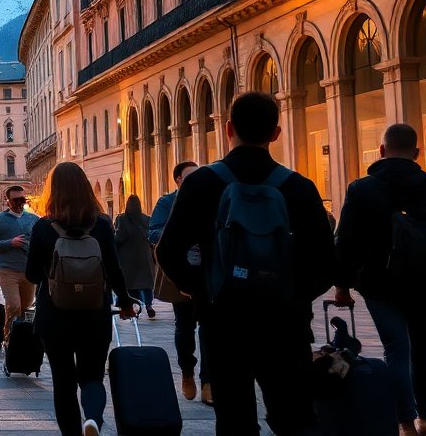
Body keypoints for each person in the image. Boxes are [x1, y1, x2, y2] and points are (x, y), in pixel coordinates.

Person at [158, 91, 334, 436]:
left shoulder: (202, 183)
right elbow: (326, 261)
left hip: (224, 320)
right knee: (294, 416)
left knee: (235, 419)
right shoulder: (298, 187)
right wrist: (294, 295)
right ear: (276, 133)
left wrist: (200, 287)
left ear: (228, 129)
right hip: (286, 323)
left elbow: (167, 251)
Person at [25, 162, 135, 436]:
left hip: (54, 317)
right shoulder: (101, 225)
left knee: (63, 383)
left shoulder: (42, 227)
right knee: (92, 375)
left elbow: (31, 274)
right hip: (94, 314)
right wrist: (124, 301)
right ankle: (93, 420)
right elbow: (113, 268)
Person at [333, 124, 426, 436]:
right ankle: (425, 417)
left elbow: (344, 241)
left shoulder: (362, 188)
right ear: (417, 153)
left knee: (396, 350)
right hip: (423, 282)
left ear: (382, 151)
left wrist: (342, 286)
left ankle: (405, 423)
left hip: (379, 284)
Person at [149, 160, 208, 403]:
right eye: (190, 177)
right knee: (185, 326)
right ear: (178, 180)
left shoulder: (209, 200)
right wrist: (180, 234)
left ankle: (208, 381)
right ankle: (187, 371)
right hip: (181, 272)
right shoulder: (167, 202)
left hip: (207, 272)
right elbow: (153, 232)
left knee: (209, 328)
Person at [0, 185, 40, 342]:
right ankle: (8, 339)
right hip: (7, 271)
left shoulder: (34, 219)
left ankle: (21, 340)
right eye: (15, 200)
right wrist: (11, 242)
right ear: (8, 201)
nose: (19, 203)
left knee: (25, 309)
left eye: (22, 199)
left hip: (28, 272)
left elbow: (39, 245)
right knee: (14, 306)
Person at [113, 194, 156, 319]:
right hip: (144, 256)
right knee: (147, 284)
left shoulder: (122, 219)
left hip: (128, 258)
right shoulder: (146, 219)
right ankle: (148, 305)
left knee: (132, 285)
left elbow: (119, 238)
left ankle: (135, 306)